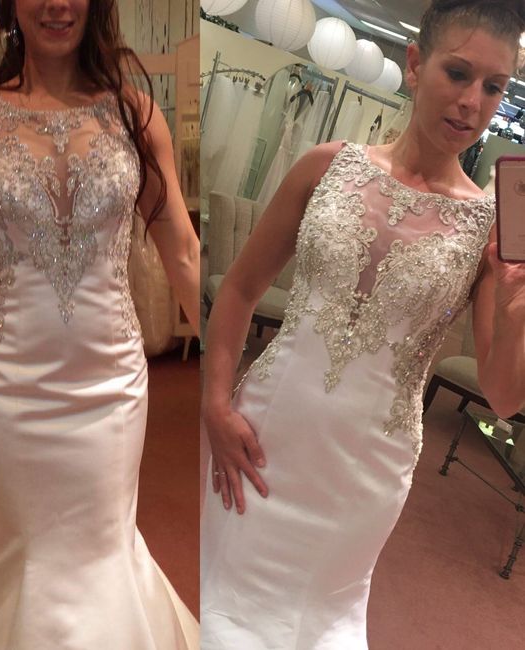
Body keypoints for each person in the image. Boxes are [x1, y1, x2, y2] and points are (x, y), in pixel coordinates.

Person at [0, 0, 200, 647]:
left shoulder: (135, 114)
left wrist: (226, 371)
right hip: (9, 389)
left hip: (109, 386)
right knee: (25, 562)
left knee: (102, 556)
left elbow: (184, 252)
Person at [200, 1, 525, 648]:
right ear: (416, 63)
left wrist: (517, 311)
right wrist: (212, 402)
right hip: (264, 431)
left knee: (313, 622)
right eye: (458, 73)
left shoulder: (486, 230)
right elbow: (237, 289)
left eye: (494, 87)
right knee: (221, 602)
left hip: (366, 469)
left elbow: (504, 397)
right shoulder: (326, 166)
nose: (472, 102)